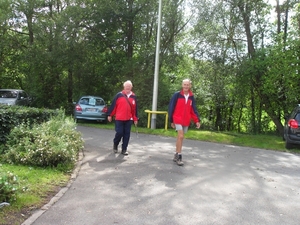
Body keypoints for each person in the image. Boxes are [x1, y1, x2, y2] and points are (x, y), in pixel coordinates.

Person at [168, 79, 201, 166]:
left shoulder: (191, 97)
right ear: (182, 85)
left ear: (190, 86)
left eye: (188, 85)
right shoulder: (177, 95)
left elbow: (193, 110)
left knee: (180, 137)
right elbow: (171, 107)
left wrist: (197, 120)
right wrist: (171, 120)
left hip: (186, 120)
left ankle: (176, 154)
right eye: (184, 84)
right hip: (177, 118)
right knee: (181, 136)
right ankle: (179, 156)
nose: (186, 86)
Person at [107, 80, 138, 155]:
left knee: (127, 134)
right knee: (119, 132)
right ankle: (115, 144)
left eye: (129, 86)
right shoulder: (119, 95)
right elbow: (113, 106)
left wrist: (135, 118)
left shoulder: (133, 96)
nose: (128, 87)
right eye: (126, 86)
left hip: (129, 119)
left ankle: (124, 149)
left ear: (131, 87)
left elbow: (135, 109)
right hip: (119, 118)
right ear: (124, 87)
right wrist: (110, 115)